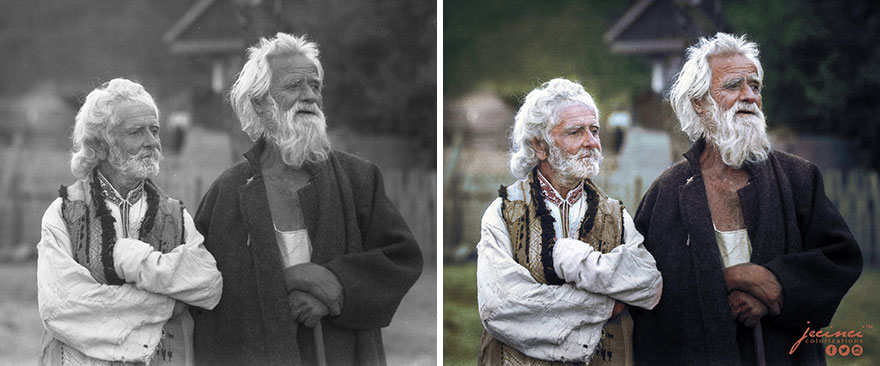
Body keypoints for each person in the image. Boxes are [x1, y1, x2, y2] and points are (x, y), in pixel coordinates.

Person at [191, 33, 423, 366]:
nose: (309, 96)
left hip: (342, 352)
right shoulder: (227, 192)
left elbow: (401, 259)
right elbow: (209, 289)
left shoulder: (359, 179)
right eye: (294, 86)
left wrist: (337, 289)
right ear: (260, 103)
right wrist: (294, 278)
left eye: (314, 86)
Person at [631, 33, 863, 366]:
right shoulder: (666, 191)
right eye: (733, 86)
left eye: (755, 86)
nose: (749, 96)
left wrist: (776, 287)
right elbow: (648, 289)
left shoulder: (799, 179)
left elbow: (840, 259)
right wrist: (735, 278)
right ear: (700, 103)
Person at [37, 78, 223, 365]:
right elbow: (61, 308)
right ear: (100, 145)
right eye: (137, 131)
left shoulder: (176, 216)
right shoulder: (63, 214)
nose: (152, 142)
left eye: (155, 130)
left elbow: (209, 286)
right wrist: (168, 302)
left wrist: (137, 262)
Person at [476, 78, 663, 365]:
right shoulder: (503, 213)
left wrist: (581, 262)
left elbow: (649, 285)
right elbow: (501, 307)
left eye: (594, 130)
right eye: (576, 132)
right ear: (540, 146)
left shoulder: (616, 215)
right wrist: (607, 304)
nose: (591, 142)